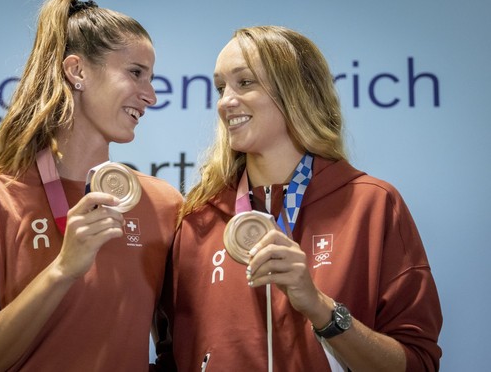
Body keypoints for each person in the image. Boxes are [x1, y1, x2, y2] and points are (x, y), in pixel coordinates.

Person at [156, 26, 442, 371]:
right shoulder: (196, 220)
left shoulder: (373, 205)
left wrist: (320, 308)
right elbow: (170, 357)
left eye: (245, 82)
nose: (225, 101)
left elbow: (417, 363)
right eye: (220, 87)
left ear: (297, 91)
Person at [0, 0, 183, 372]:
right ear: (77, 71)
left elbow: (174, 349)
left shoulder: (162, 203)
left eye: (151, 77)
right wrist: (62, 270)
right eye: (135, 72)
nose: (151, 96)